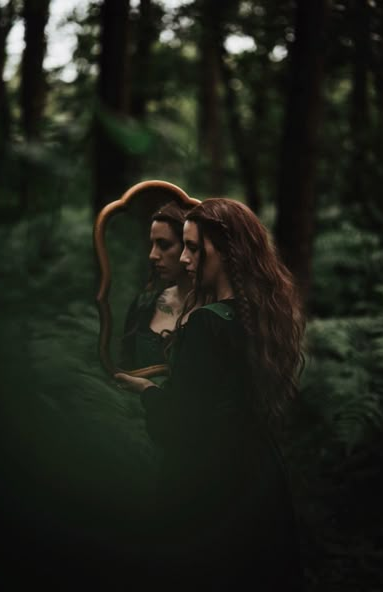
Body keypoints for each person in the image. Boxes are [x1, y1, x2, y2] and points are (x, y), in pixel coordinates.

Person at [115, 198, 306, 589]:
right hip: (258, 475)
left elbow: (179, 426)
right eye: (182, 246)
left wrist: (148, 390)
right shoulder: (258, 313)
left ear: (227, 250)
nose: (184, 259)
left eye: (194, 247)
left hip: (209, 483)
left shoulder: (205, 324)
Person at [119, 200, 195, 378]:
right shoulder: (143, 304)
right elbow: (124, 367)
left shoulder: (214, 310)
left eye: (164, 245)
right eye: (152, 244)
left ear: (189, 247)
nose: (153, 255)